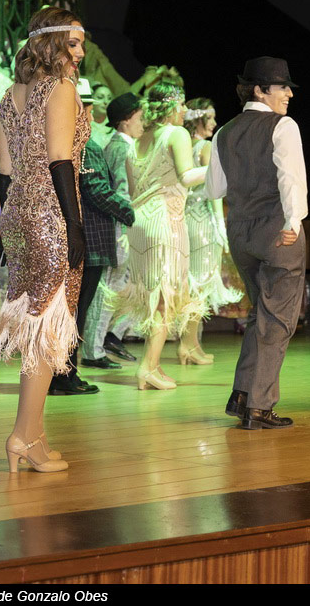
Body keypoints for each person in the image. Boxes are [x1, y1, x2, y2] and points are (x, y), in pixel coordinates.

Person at [0, 7, 89, 473]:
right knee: (50, 328)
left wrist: (7, 226)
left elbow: (5, 172)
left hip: (18, 216)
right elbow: (60, 160)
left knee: (37, 328)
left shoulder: (8, 96)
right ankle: (23, 435)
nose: (81, 52)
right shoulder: (61, 89)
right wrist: (74, 225)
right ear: (51, 44)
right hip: (52, 215)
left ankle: (33, 434)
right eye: (73, 43)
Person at [209, 57, 308, 429]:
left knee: (260, 315)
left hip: (240, 233)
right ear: (259, 89)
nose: (288, 94)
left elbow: (215, 188)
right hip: (276, 230)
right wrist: (293, 221)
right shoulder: (283, 126)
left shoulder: (224, 131)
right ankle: (259, 407)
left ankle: (242, 396)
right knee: (278, 320)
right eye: (282, 87)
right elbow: (291, 179)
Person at [113, 82, 207, 390]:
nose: (185, 110)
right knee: (164, 299)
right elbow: (188, 176)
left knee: (154, 297)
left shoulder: (137, 141)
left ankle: (152, 364)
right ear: (171, 106)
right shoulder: (176, 134)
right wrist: (223, 168)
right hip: (165, 221)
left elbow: (134, 191)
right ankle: (147, 367)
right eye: (182, 104)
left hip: (140, 224)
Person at [51, 80, 134, 393]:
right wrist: (127, 211)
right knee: (77, 309)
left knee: (70, 308)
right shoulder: (84, 144)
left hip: (73, 235)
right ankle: (65, 374)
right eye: (87, 106)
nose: (89, 112)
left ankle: (62, 372)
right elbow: (96, 189)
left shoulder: (62, 140)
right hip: (91, 238)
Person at [81, 92, 143, 367]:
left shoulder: (120, 145)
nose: (143, 123)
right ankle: (94, 349)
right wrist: (130, 214)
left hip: (122, 221)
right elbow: (119, 190)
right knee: (108, 287)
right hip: (120, 224)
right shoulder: (120, 147)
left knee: (116, 286)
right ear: (126, 120)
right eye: (140, 118)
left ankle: (103, 342)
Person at [183, 98, 242, 361]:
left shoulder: (184, 146)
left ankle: (192, 343)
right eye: (211, 118)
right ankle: (188, 345)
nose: (215, 123)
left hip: (186, 219)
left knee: (193, 284)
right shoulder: (205, 147)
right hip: (203, 221)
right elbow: (214, 190)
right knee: (200, 284)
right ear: (199, 120)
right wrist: (220, 223)